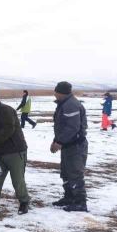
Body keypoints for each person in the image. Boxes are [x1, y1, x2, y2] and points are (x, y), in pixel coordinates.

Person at [51, 82, 89, 212]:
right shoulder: (65, 103)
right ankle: (69, 197)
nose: (54, 94)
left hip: (75, 146)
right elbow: (62, 127)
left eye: (55, 91)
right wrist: (56, 140)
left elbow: (72, 128)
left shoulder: (71, 105)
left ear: (60, 92)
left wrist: (59, 142)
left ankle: (80, 201)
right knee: (66, 173)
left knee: (75, 173)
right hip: (67, 145)